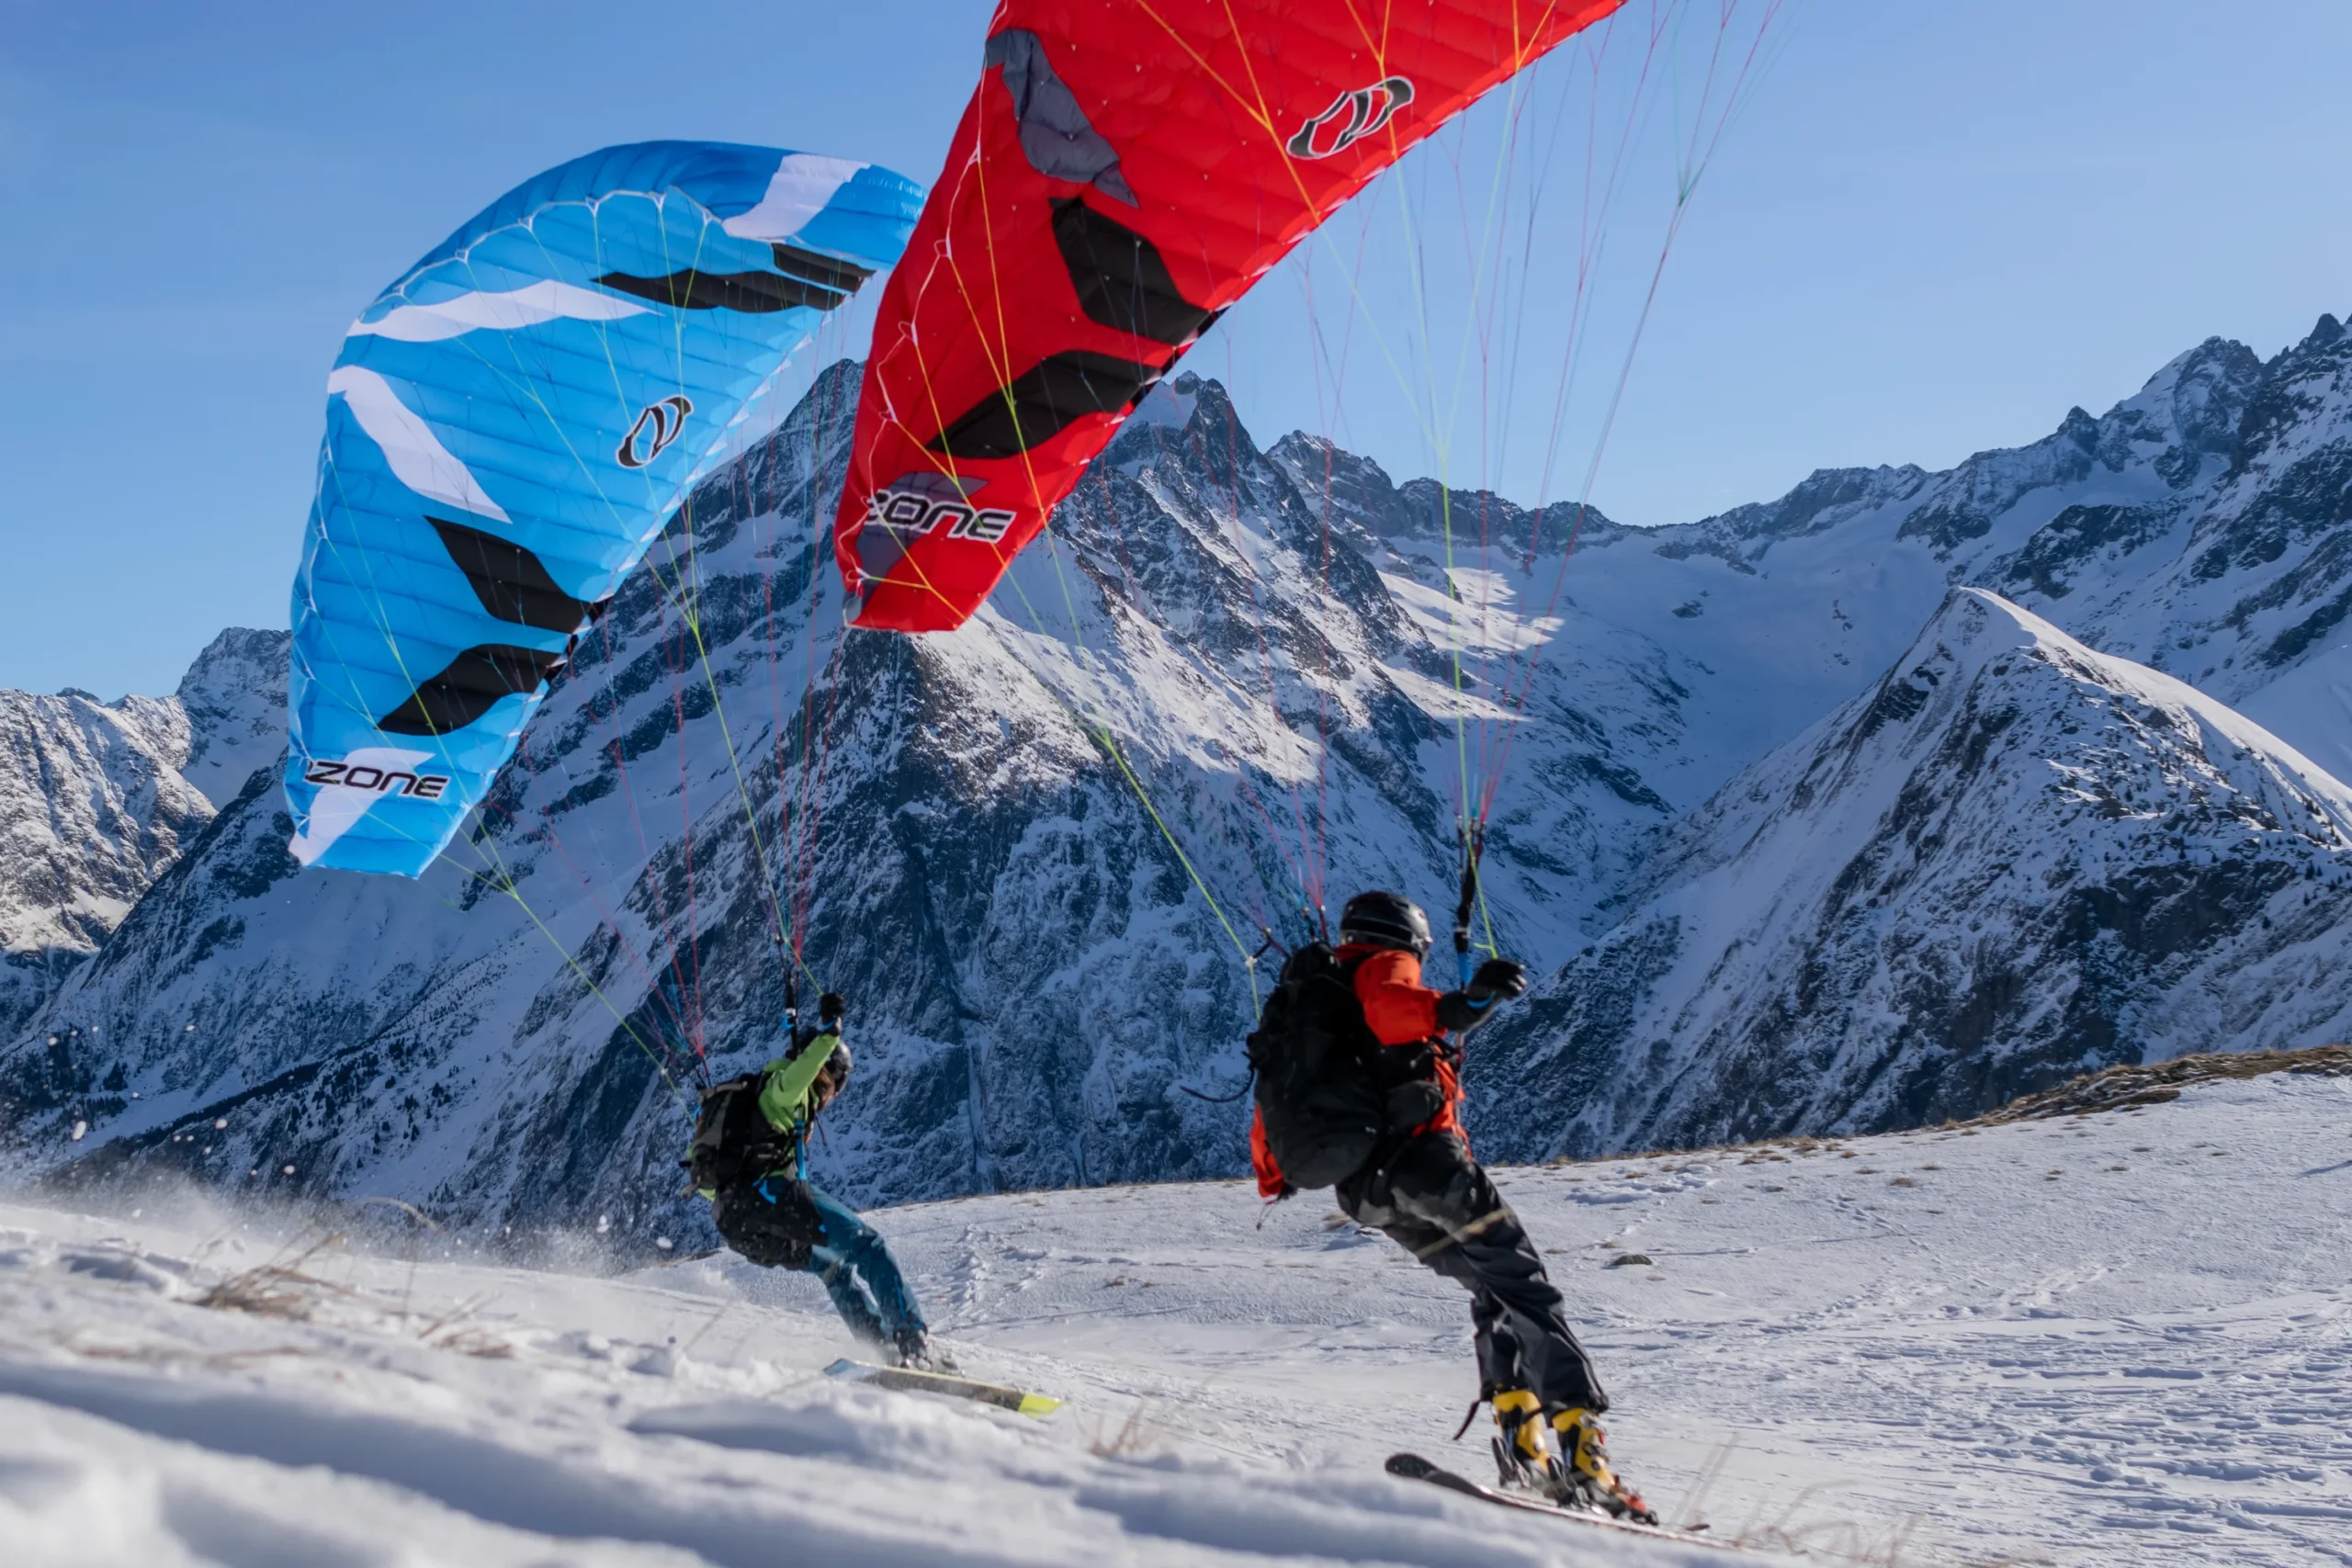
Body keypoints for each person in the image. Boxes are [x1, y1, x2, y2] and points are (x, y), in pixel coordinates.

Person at [1250, 892, 1653, 1522]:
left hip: (1367, 1195)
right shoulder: (1381, 965)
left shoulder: (1311, 1008)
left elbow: (1272, 1123)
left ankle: (1524, 1444)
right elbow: (1392, 1010)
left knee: (1492, 1287)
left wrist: (1281, 1175)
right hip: (1428, 1169)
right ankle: (1585, 1456)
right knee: (1525, 1285)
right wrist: (1460, 1005)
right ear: (1407, 939)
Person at [688, 992, 937, 1367]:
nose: (832, 1097)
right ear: (826, 1076)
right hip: (773, 1200)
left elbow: (709, 1183)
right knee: (870, 1247)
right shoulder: (782, 1091)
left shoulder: (754, 1113)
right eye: (836, 1087)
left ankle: (884, 1350)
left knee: (834, 1269)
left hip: (738, 1226)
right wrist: (829, 1035)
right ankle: (914, 1343)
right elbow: (799, 1075)